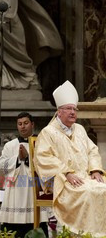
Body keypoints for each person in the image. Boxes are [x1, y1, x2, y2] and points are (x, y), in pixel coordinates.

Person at [34, 80, 106, 236]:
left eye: (75, 109)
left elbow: (92, 150)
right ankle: (80, 234)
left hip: (85, 176)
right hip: (62, 180)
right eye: (68, 109)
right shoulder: (48, 132)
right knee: (87, 192)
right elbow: (43, 158)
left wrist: (95, 170)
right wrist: (66, 172)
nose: (73, 112)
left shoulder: (79, 129)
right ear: (59, 112)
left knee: (102, 188)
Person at [0, 112, 48, 236]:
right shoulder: (10, 145)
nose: (23, 126)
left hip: (33, 189)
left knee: (35, 224)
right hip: (15, 190)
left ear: (32, 124)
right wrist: (17, 159)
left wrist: (27, 158)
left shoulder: (41, 143)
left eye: (26, 123)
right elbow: (1, 164)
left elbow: (46, 165)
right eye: (20, 124)